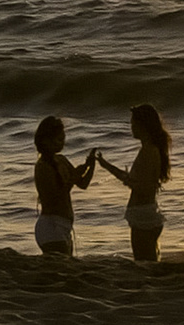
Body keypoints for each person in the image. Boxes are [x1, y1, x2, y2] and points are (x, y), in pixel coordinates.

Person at [97, 104, 171, 260]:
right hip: (144, 214)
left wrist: (130, 181)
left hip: (143, 217)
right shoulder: (147, 149)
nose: (131, 127)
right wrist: (105, 165)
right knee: (147, 261)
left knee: (144, 263)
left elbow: (143, 188)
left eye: (133, 123)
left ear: (143, 125)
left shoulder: (149, 151)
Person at [33, 115, 97, 256]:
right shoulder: (42, 166)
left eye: (63, 139)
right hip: (51, 226)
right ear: (45, 140)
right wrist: (73, 177)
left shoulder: (61, 160)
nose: (62, 143)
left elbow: (83, 183)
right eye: (58, 139)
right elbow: (53, 198)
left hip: (64, 226)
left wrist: (91, 166)